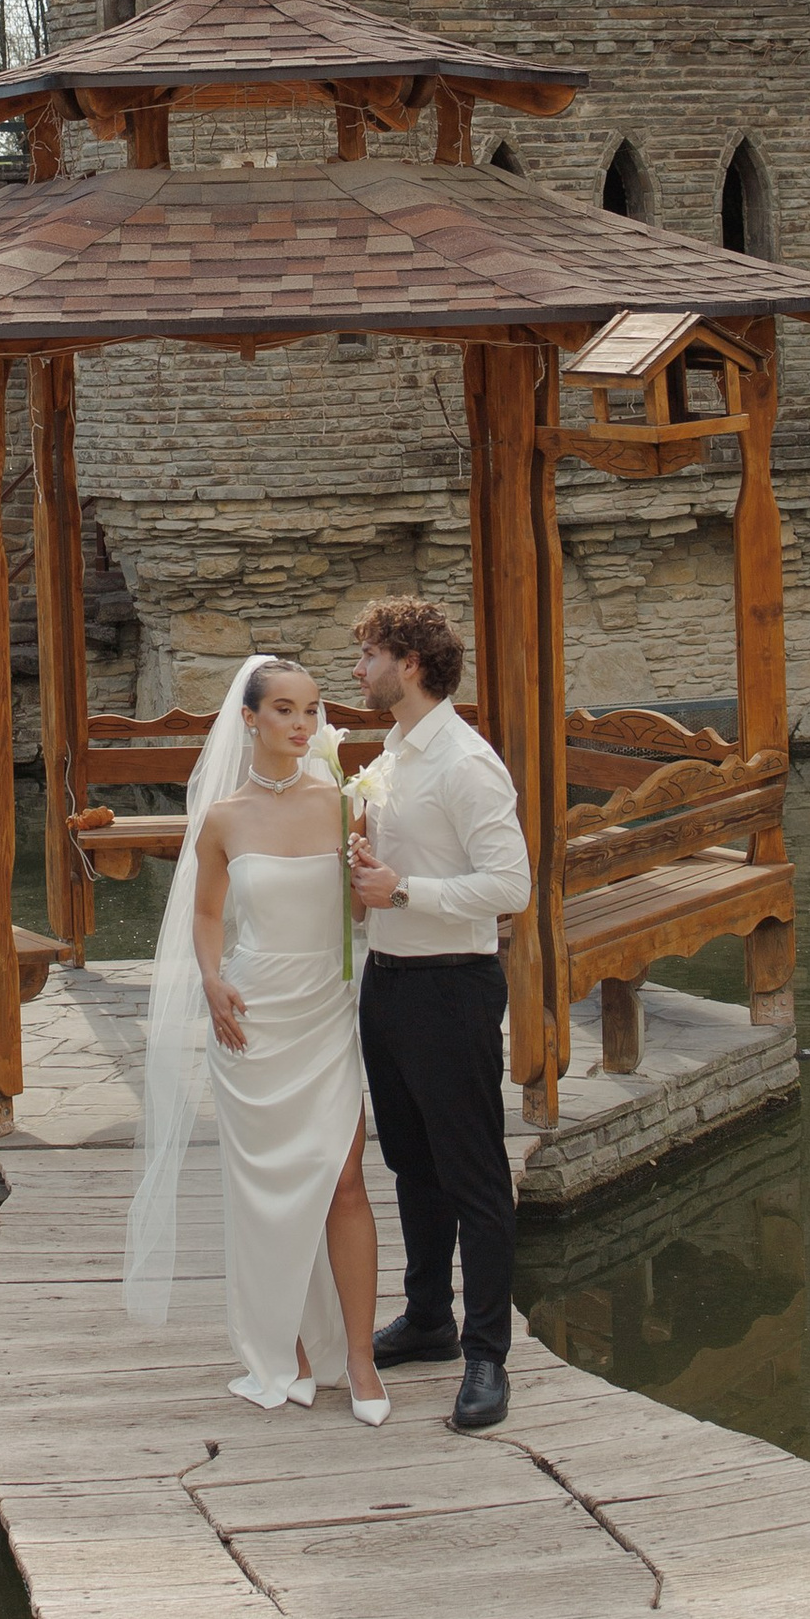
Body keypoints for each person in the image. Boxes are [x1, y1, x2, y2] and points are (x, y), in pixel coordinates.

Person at [122, 655, 391, 1421]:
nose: (303, 724)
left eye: (311, 710)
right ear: (250, 719)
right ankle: (288, 1349)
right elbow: (208, 915)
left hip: (325, 1012)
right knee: (268, 1195)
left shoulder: (344, 802)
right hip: (254, 1019)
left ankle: (361, 1359)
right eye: (285, 710)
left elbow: (360, 914)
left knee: (344, 1181)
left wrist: (368, 877)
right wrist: (211, 979)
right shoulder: (224, 819)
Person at [347, 596, 531, 1434]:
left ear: (410, 664)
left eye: (370, 655)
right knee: (412, 1166)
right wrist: (370, 872)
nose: (359, 670)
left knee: (474, 1174)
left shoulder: (466, 762)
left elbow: (510, 885)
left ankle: (488, 1354)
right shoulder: (394, 749)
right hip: (387, 982)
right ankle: (429, 1319)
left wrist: (403, 890)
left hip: (452, 986)